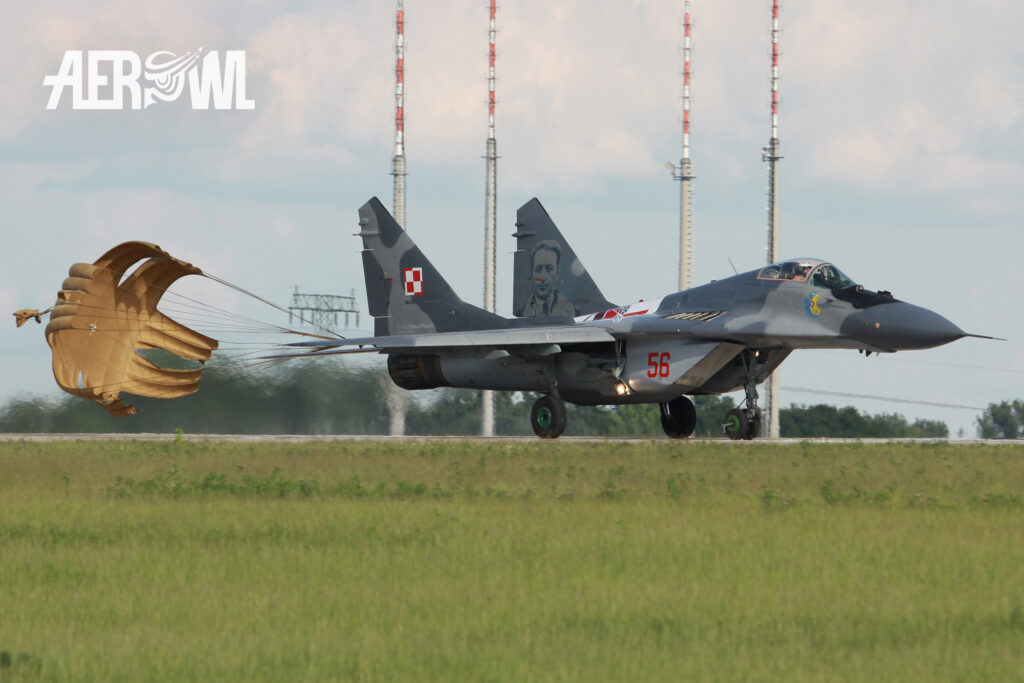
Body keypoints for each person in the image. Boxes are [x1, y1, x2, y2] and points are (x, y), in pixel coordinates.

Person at [520, 240, 575, 317]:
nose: (542, 277)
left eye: (549, 269)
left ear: (557, 272)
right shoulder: (522, 312)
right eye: (538, 269)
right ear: (531, 273)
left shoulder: (570, 311)